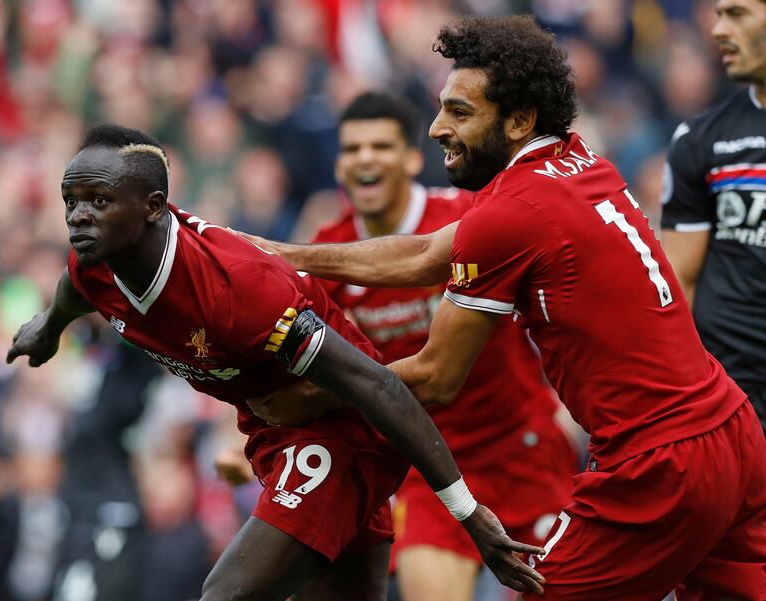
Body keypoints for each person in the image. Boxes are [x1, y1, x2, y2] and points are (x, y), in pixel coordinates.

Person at [240, 16, 766, 600]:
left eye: (461, 113)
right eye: (441, 108)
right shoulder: (579, 161)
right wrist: (286, 254)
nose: (437, 128)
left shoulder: (509, 213)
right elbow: (424, 253)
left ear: (519, 119)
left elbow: (438, 377)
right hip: (732, 432)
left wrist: (311, 398)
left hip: (655, 460)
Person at [4, 123, 546, 601]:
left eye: (97, 201)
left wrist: (467, 512)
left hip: (340, 434)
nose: (78, 216)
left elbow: (376, 385)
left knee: (226, 593)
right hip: (275, 433)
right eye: (70, 200)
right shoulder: (95, 260)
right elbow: (73, 287)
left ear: (152, 207)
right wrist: (48, 329)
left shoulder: (239, 290)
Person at [307, 91, 578, 601]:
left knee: (558, 590)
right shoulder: (331, 249)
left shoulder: (470, 217)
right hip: (426, 467)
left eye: (381, 146)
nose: (365, 158)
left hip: (521, 449)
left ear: (412, 158)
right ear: (339, 165)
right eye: (352, 149)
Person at [661, 0, 766, 433]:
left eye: (736, 14)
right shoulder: (699, 140)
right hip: (734, 402)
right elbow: (676, 286)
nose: (718, 29)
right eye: (718, 14)